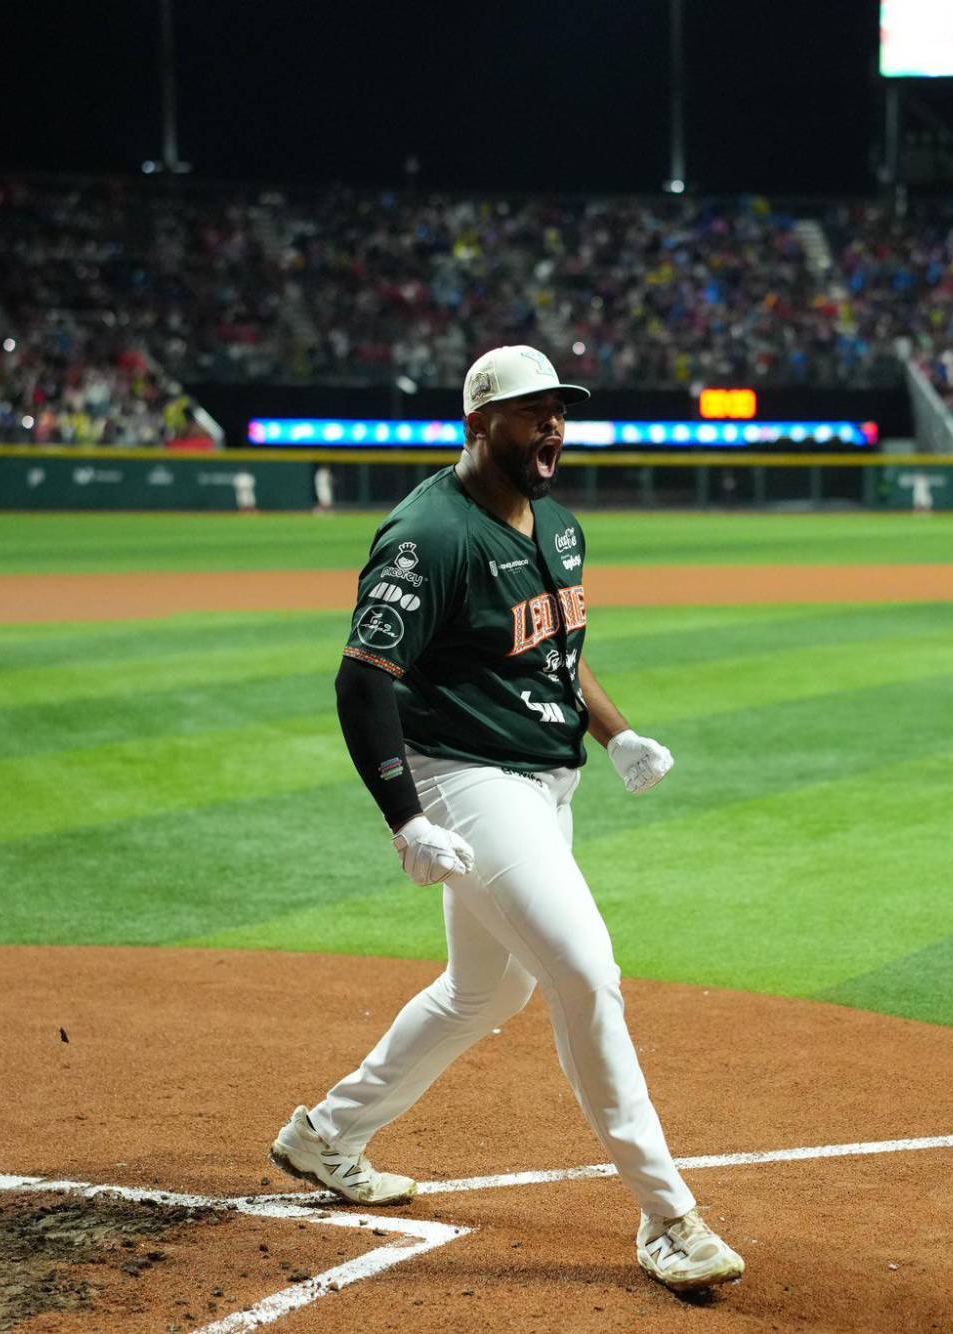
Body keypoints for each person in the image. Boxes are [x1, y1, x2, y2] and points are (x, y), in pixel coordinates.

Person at [269, 345, 746, 1295]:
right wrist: (408, 817)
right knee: (584, 971)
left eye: (558, 412)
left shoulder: (560, 529)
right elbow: (363, 685)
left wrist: (616, 737)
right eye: (532, 413)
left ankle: (327, 1137)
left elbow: (562, 661)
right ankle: (668, 1218)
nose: (552, 429)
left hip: (546, 785)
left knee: (485, 994)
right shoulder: (429, 535)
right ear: (479, 424)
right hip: (467, 783)